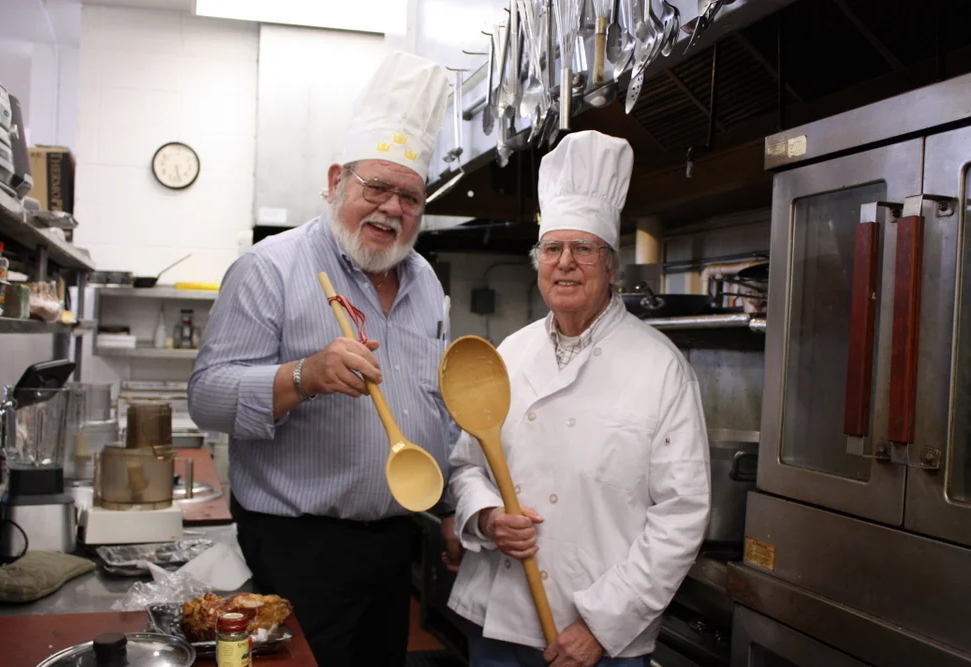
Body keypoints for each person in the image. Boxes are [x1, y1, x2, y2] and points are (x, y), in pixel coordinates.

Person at [188, 51, 462, 667]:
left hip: (394, 548)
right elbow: (206, 395)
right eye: (377, 187)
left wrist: (451, 510)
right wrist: (303, 376)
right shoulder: (271, 269)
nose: (393, 208)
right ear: (338, 179)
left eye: (411, 197)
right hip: (295, 551)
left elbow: (434, 410)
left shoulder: (427, 288)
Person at [445, 130, 711, 667]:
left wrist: (601, 624)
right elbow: (466, 467)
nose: (564, 262)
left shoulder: (660, 367)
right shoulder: (509, 354)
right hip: (498, 623)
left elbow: (681, 515)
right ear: (538, 261)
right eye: (552, 248)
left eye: (582, 249)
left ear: (611, 266)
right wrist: (487, 516)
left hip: (595, 637)